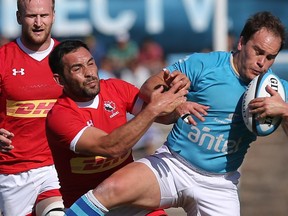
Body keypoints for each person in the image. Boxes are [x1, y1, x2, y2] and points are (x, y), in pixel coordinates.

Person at [65, 11, 288, 216]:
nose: (262, 63)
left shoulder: (276, 89)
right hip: (173, 165)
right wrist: (175, 102)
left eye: (270, 57)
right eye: (258, 52)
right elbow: (147, 87)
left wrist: (284, 112)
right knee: (109, 190)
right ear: (241, 42)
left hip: (219, 184)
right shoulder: (205, 64)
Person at [46, 39, 188, 215]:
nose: (89, 72)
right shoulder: (59, 116)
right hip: (89, 207)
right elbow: (111, 147)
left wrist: (175, 94)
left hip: (131, 198)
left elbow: (165, 117)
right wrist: (154, 108)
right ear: (59, 79)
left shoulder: (115, 88)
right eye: (77, 69)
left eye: (90, 63)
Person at [0, 0, 65, 215]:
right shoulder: (3, 58)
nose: (38, 23)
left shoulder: (67, 57)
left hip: (56, 167)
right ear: (19, 17)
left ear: (53, 15)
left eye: (44, 16)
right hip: (12, 171)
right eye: (31, 16)